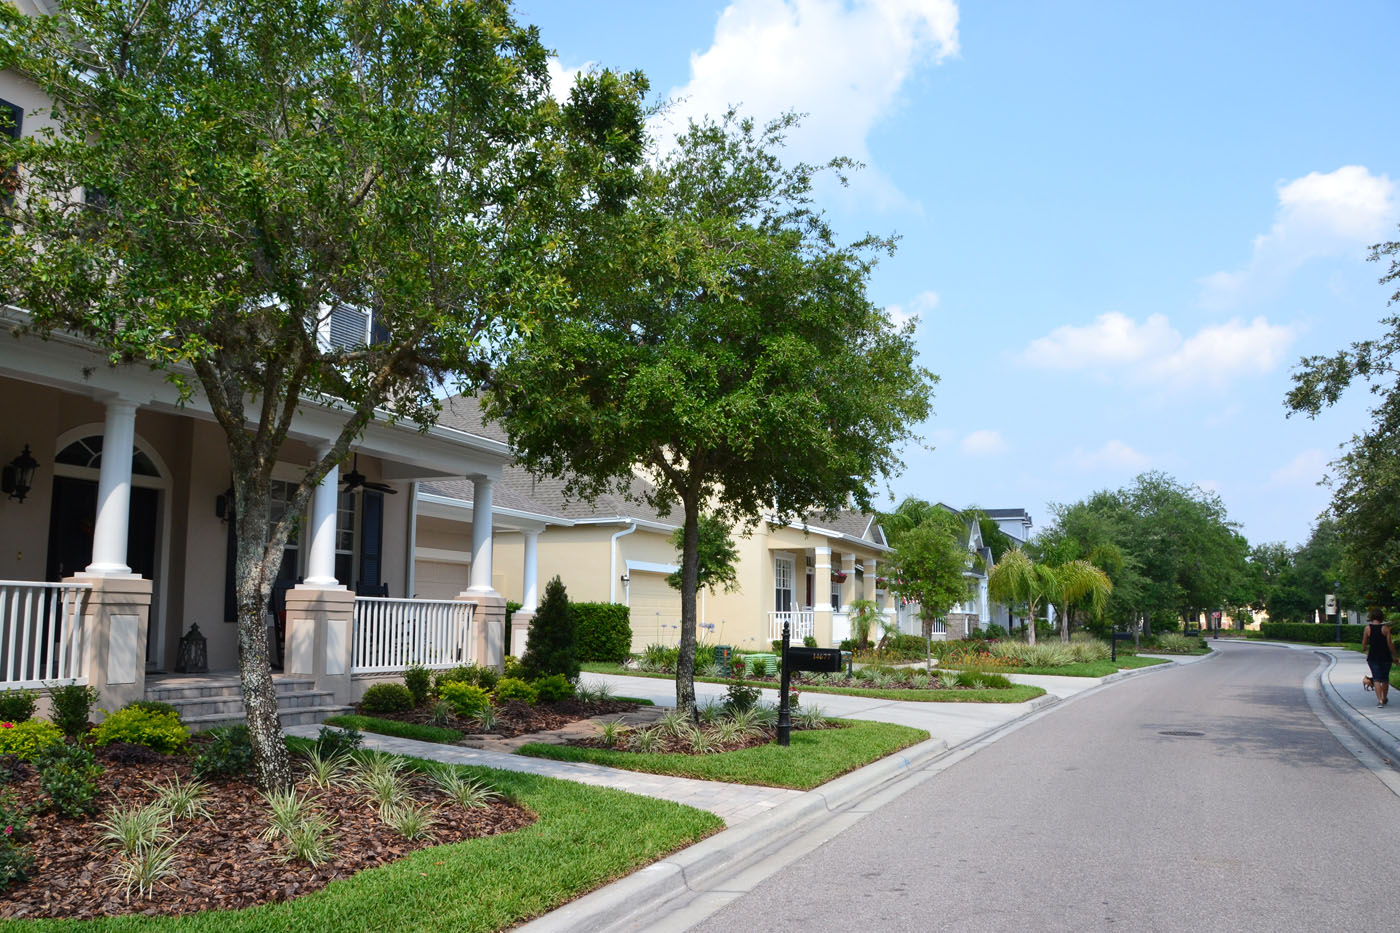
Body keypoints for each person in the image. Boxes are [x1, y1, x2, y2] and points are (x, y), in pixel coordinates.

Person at [1361, 608, 1399, 708]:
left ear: (1372, 617)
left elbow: (1364, 643)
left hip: (1373, 657)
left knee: (1376, 679)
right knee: (1385, 679)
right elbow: (1390, 644)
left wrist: (1364, 648)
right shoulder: (1385, 628)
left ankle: (1380, 701)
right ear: (1381, 617)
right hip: (1386, 657)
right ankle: (1385, 697)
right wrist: (1395, 656)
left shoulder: (1368, 628)